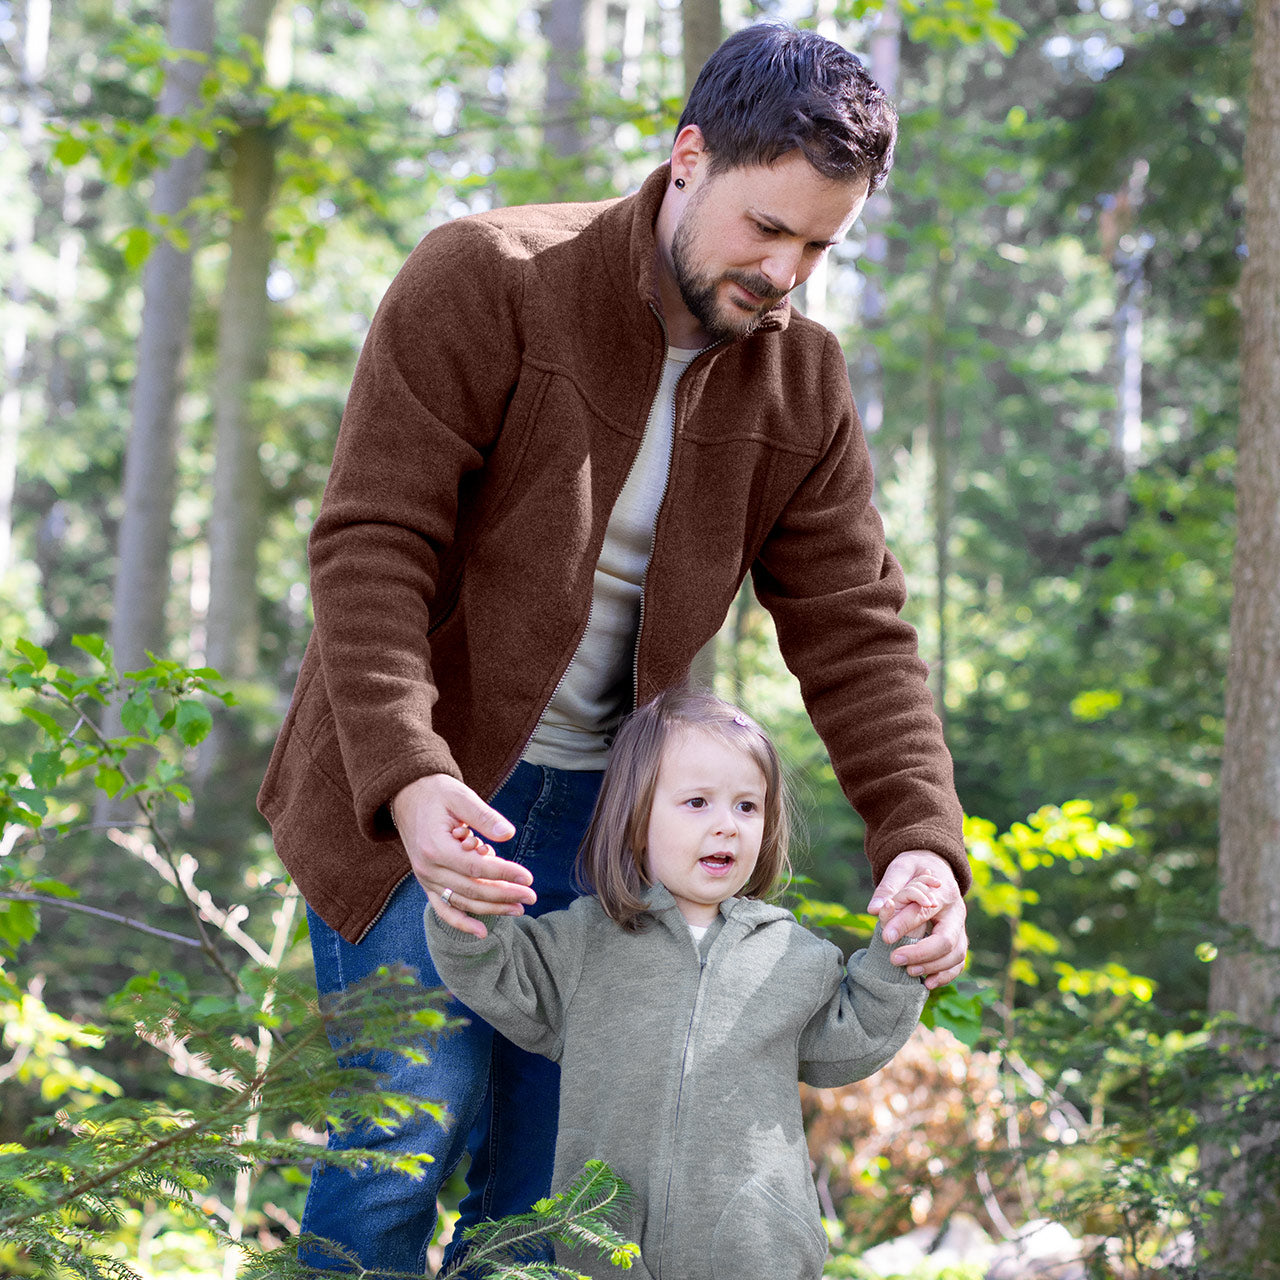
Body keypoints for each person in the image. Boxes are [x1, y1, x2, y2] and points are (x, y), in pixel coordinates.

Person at [258, 20, 971, 1274]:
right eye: (766, 227)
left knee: (552, 1195)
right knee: (393, 1156)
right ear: (688, 156)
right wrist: (413, 778)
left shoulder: (799, 379)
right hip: (418, 793)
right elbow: (372, 541)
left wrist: (920, 841)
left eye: (818, 244)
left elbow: (855, 627)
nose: (785, 271)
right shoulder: (486, 275)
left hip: (614, 833)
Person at [425, 689, 940, 1280]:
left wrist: (901, 948)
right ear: (637, 816)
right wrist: (464, 895)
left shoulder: (793, 955)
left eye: (748, 807)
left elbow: (851, 1040)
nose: (727, 825)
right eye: (697, 802)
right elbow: (491, 970)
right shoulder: (582, 943)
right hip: (603, 1253)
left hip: (756, 1255)